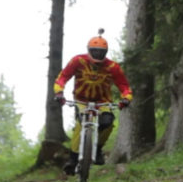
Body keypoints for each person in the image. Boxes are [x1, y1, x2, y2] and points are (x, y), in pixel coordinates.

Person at [53, 29, 133, 174]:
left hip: (103, 101)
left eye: (100, 52)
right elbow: (63, 77)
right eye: (94, 51)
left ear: (106, 52)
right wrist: (59, 92)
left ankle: (98, 149)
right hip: (81, 100)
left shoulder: (112, 67)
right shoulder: (78, 61)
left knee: (108, 123)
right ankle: (73, 159)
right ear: (89, 50)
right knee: (80, 123)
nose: (97, 54)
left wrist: (126, 98)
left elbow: (124, 86)